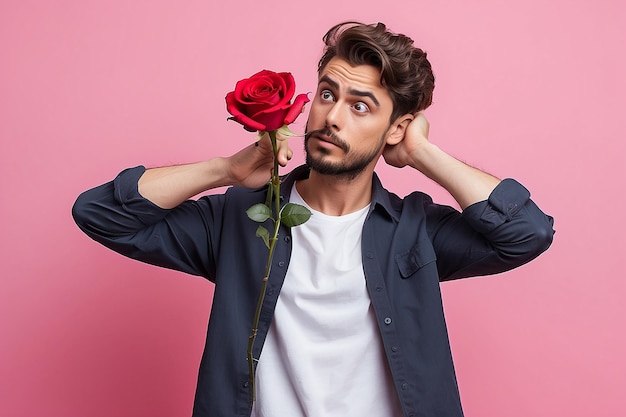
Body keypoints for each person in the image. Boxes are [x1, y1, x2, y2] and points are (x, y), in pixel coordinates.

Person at [73, 21, 554, 417]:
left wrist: (422, 152)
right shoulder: (237, 221)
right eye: (328, 94)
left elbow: (527, 233)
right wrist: (226, 169)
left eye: (360, 106)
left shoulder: (416, 231)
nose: (333, 118)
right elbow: (101, 214)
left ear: (395, 128)